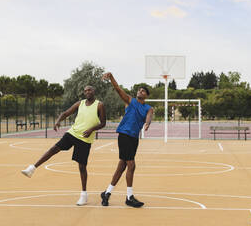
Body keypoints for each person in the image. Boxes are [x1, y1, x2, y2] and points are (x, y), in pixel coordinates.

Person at [21, 85, 106, 206]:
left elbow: (103, 123)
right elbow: (65, 113)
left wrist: (92, 129)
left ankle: (84, 195)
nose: (87, 92)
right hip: (73, 133)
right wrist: (58, 121)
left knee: (82, 166)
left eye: (90, 90)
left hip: (85, 138)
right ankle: (32, 168)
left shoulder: (99, 105)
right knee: (54, 149)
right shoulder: (80, 103)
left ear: (94, 91)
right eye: (85, 90)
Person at [100, 72, 153, 208]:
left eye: (143, 91)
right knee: (131, 165)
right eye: (139, 89)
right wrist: (111, 77)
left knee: (122, 166)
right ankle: (129, 197)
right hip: (124, 135)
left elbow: (149, 116)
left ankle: (107, 193)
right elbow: (118, 89)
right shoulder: (130, 100)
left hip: (134, 138)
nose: (140, 91)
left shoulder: (148, 108)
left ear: (146, 95)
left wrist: (147, 123)